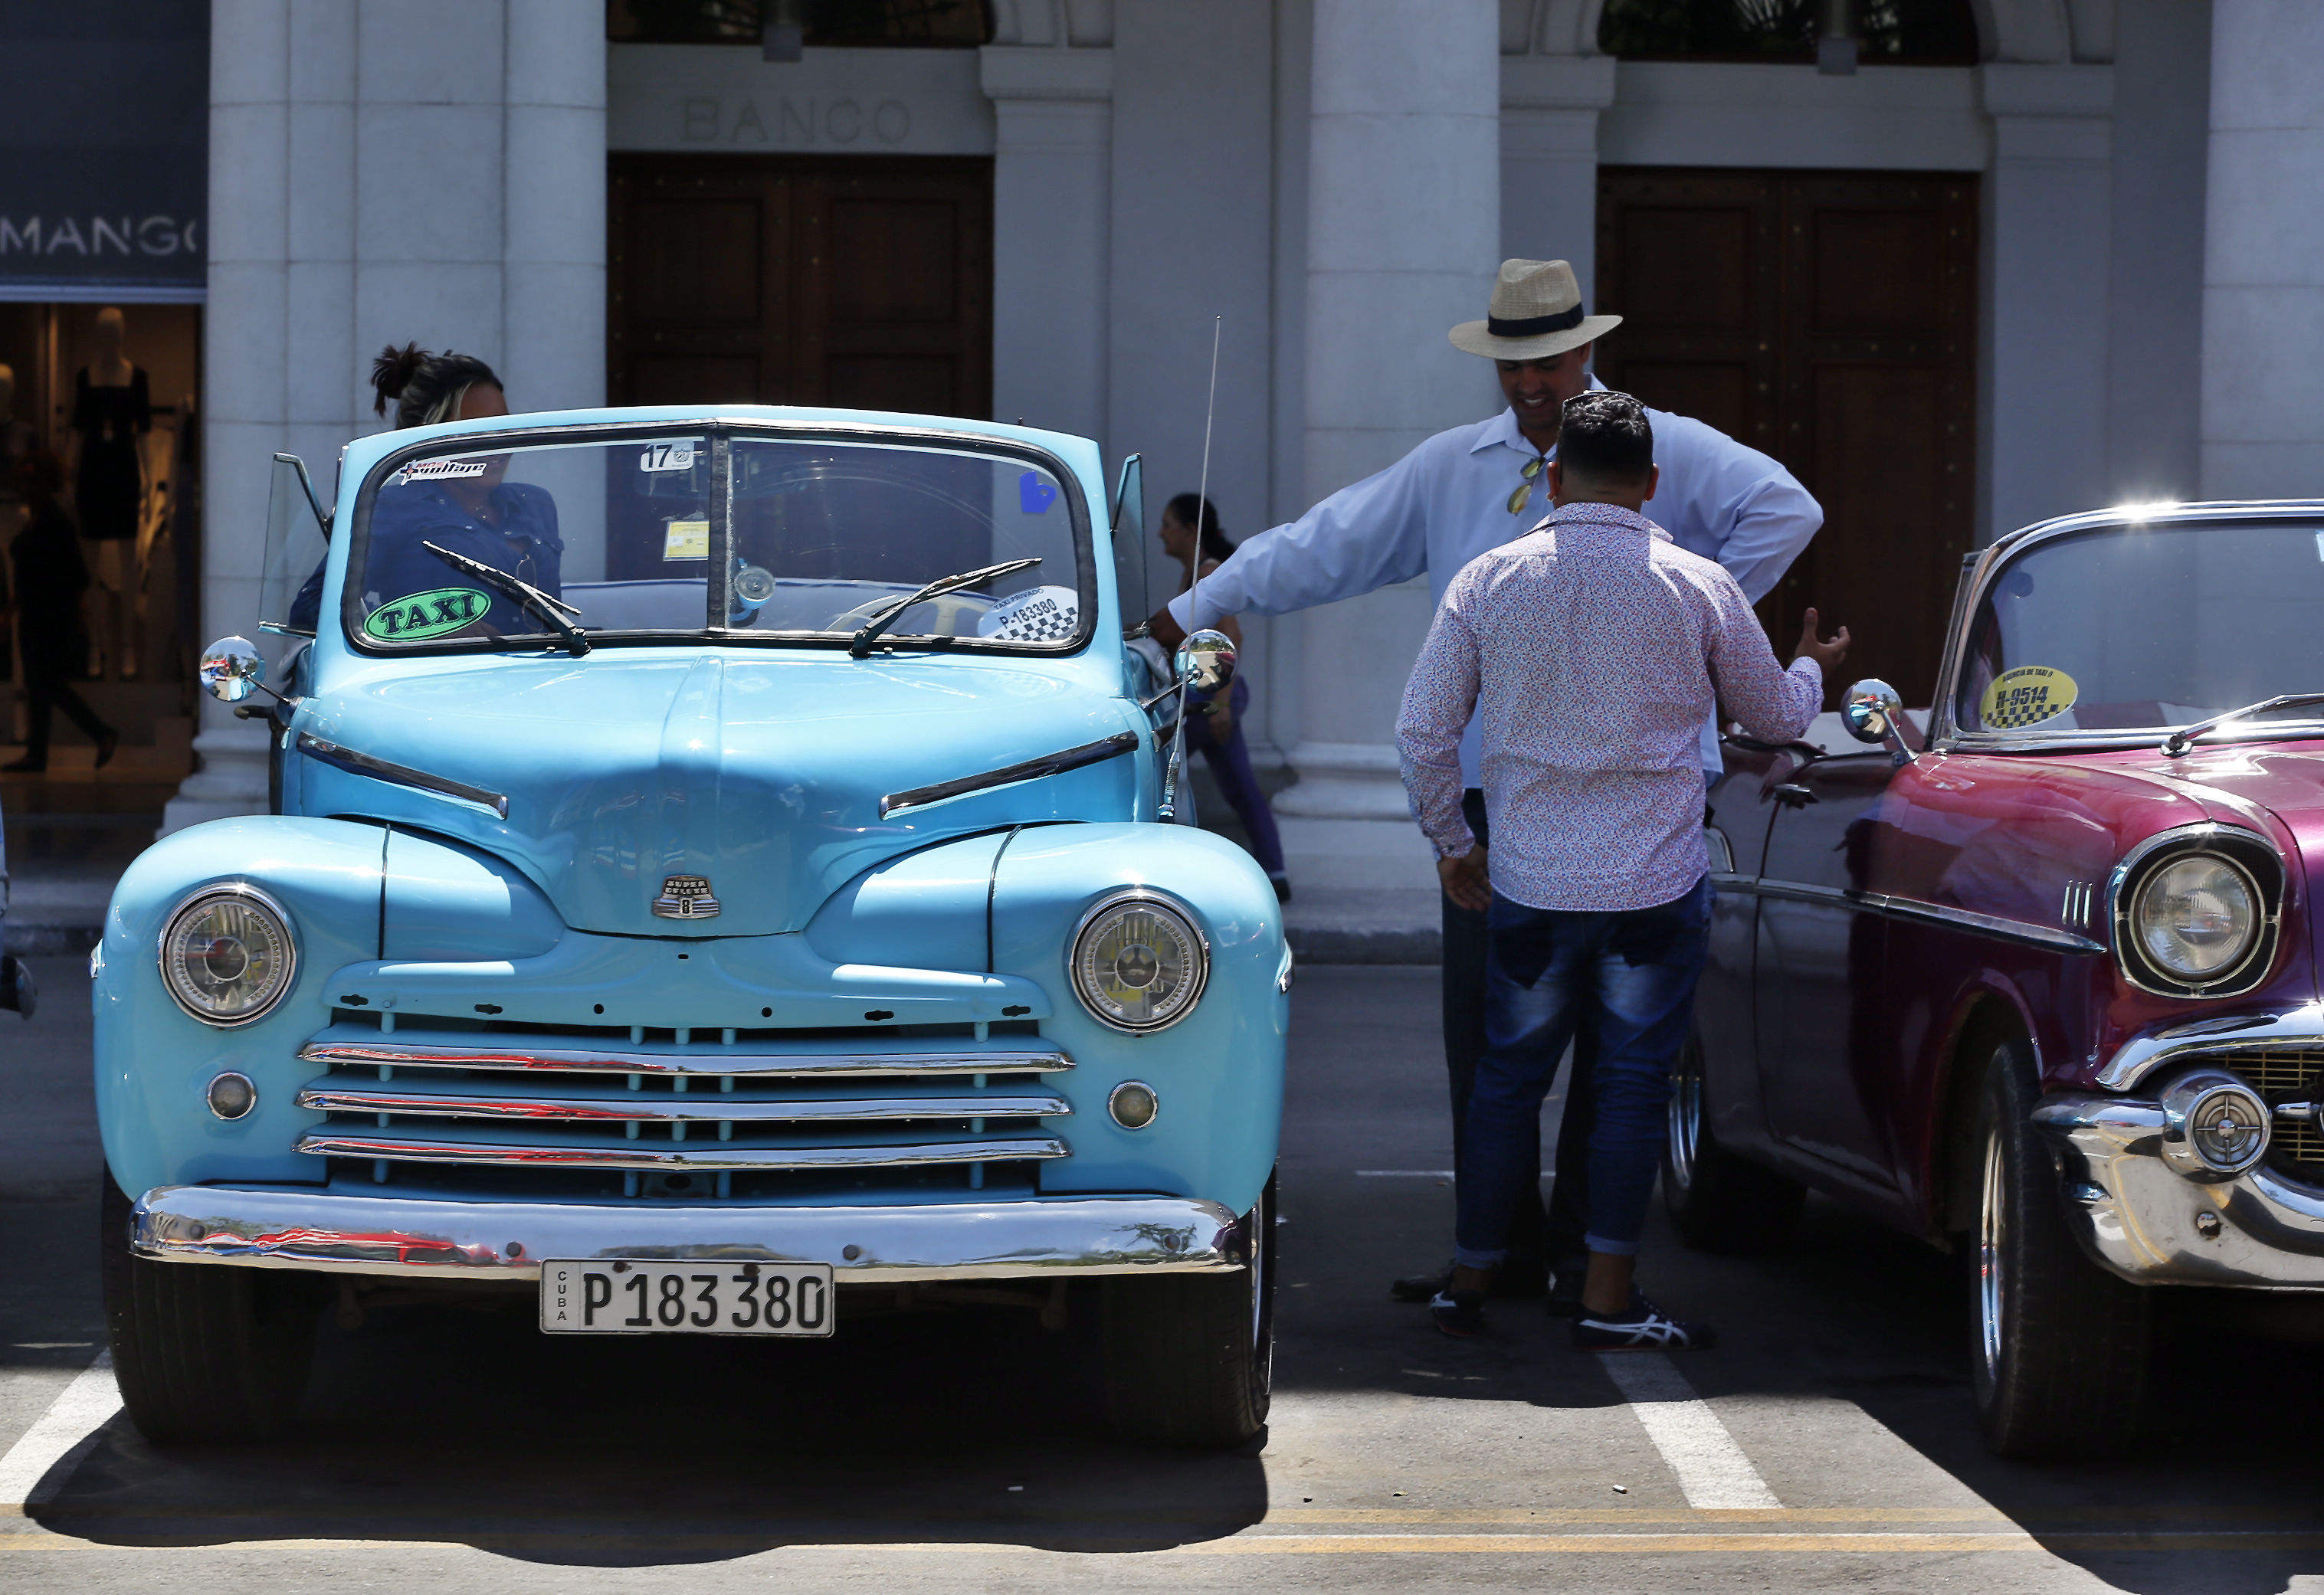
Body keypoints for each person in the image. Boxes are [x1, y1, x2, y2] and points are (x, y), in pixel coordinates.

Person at [1142, 258, 1824, 1308]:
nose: (1529, 382)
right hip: (1497, 801)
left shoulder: (1659, 444)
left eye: (1547, 359)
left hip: (1639, 800)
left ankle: (1569, 1251)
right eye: (1513, 363)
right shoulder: (1455, 465)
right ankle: (1502, 1252)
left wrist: (1694, 620)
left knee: (1611, 1059)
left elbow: (1787, 509)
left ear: (1585, 350)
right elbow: (1321, 545)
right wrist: (1195, 608)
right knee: (1490, 1047)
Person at [1397, 391, 1847, 1345]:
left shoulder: (1488, 580)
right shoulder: (1700, 584)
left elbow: (1422, 730)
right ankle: (1605, 1296)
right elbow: (1773, 719)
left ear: (1552, 479)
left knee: (1506, 1083)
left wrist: (1452, 845)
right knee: (1633, 1088)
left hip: (1526, 882)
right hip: (1654, 886)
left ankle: (1471, 1280)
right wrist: (1813, 668)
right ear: (1652, 484)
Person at [288, 344, 556, 635]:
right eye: (476, 429)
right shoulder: (390, 507)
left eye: (504, 427)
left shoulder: (535, 503)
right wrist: (427, 632)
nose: (497, 444)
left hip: (541, 674)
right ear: (428, 435)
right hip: (439, 677)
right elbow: (310, 612)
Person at [1159, 493, 1290, 901]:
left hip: (1211, 702)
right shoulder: (1192, 574)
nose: (1161, 533)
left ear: (1191, 530)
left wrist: (1222, 705)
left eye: (1168, 524)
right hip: (1205, 700)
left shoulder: (1207, 573)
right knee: (1239, 786)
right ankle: (1276, 872)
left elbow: (1231, 636)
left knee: (1159, 770)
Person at [3, 449, 117, 773]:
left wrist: (76, 612)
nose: (23, 488)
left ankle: (100, 733)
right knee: (40, 686)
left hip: (51, 617)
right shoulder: (38, 520)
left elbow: (77, 573)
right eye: (21, 481)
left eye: (29, 481)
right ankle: (37, 753)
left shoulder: (55, 522)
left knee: (48, 684)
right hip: (35, 615)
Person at [67, 306, 152, 680]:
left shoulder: (138, 379)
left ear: (121, 335)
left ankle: (127, 647)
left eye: (112, 331)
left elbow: (144, 434)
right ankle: (96, 647)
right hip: (91, 473)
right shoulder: (84, 378)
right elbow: (77, 433)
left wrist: (149, 477)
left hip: (123, 472)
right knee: (90, 568)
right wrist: (68, 476)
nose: (107, 338)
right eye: (101, 331)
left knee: (129, 565)